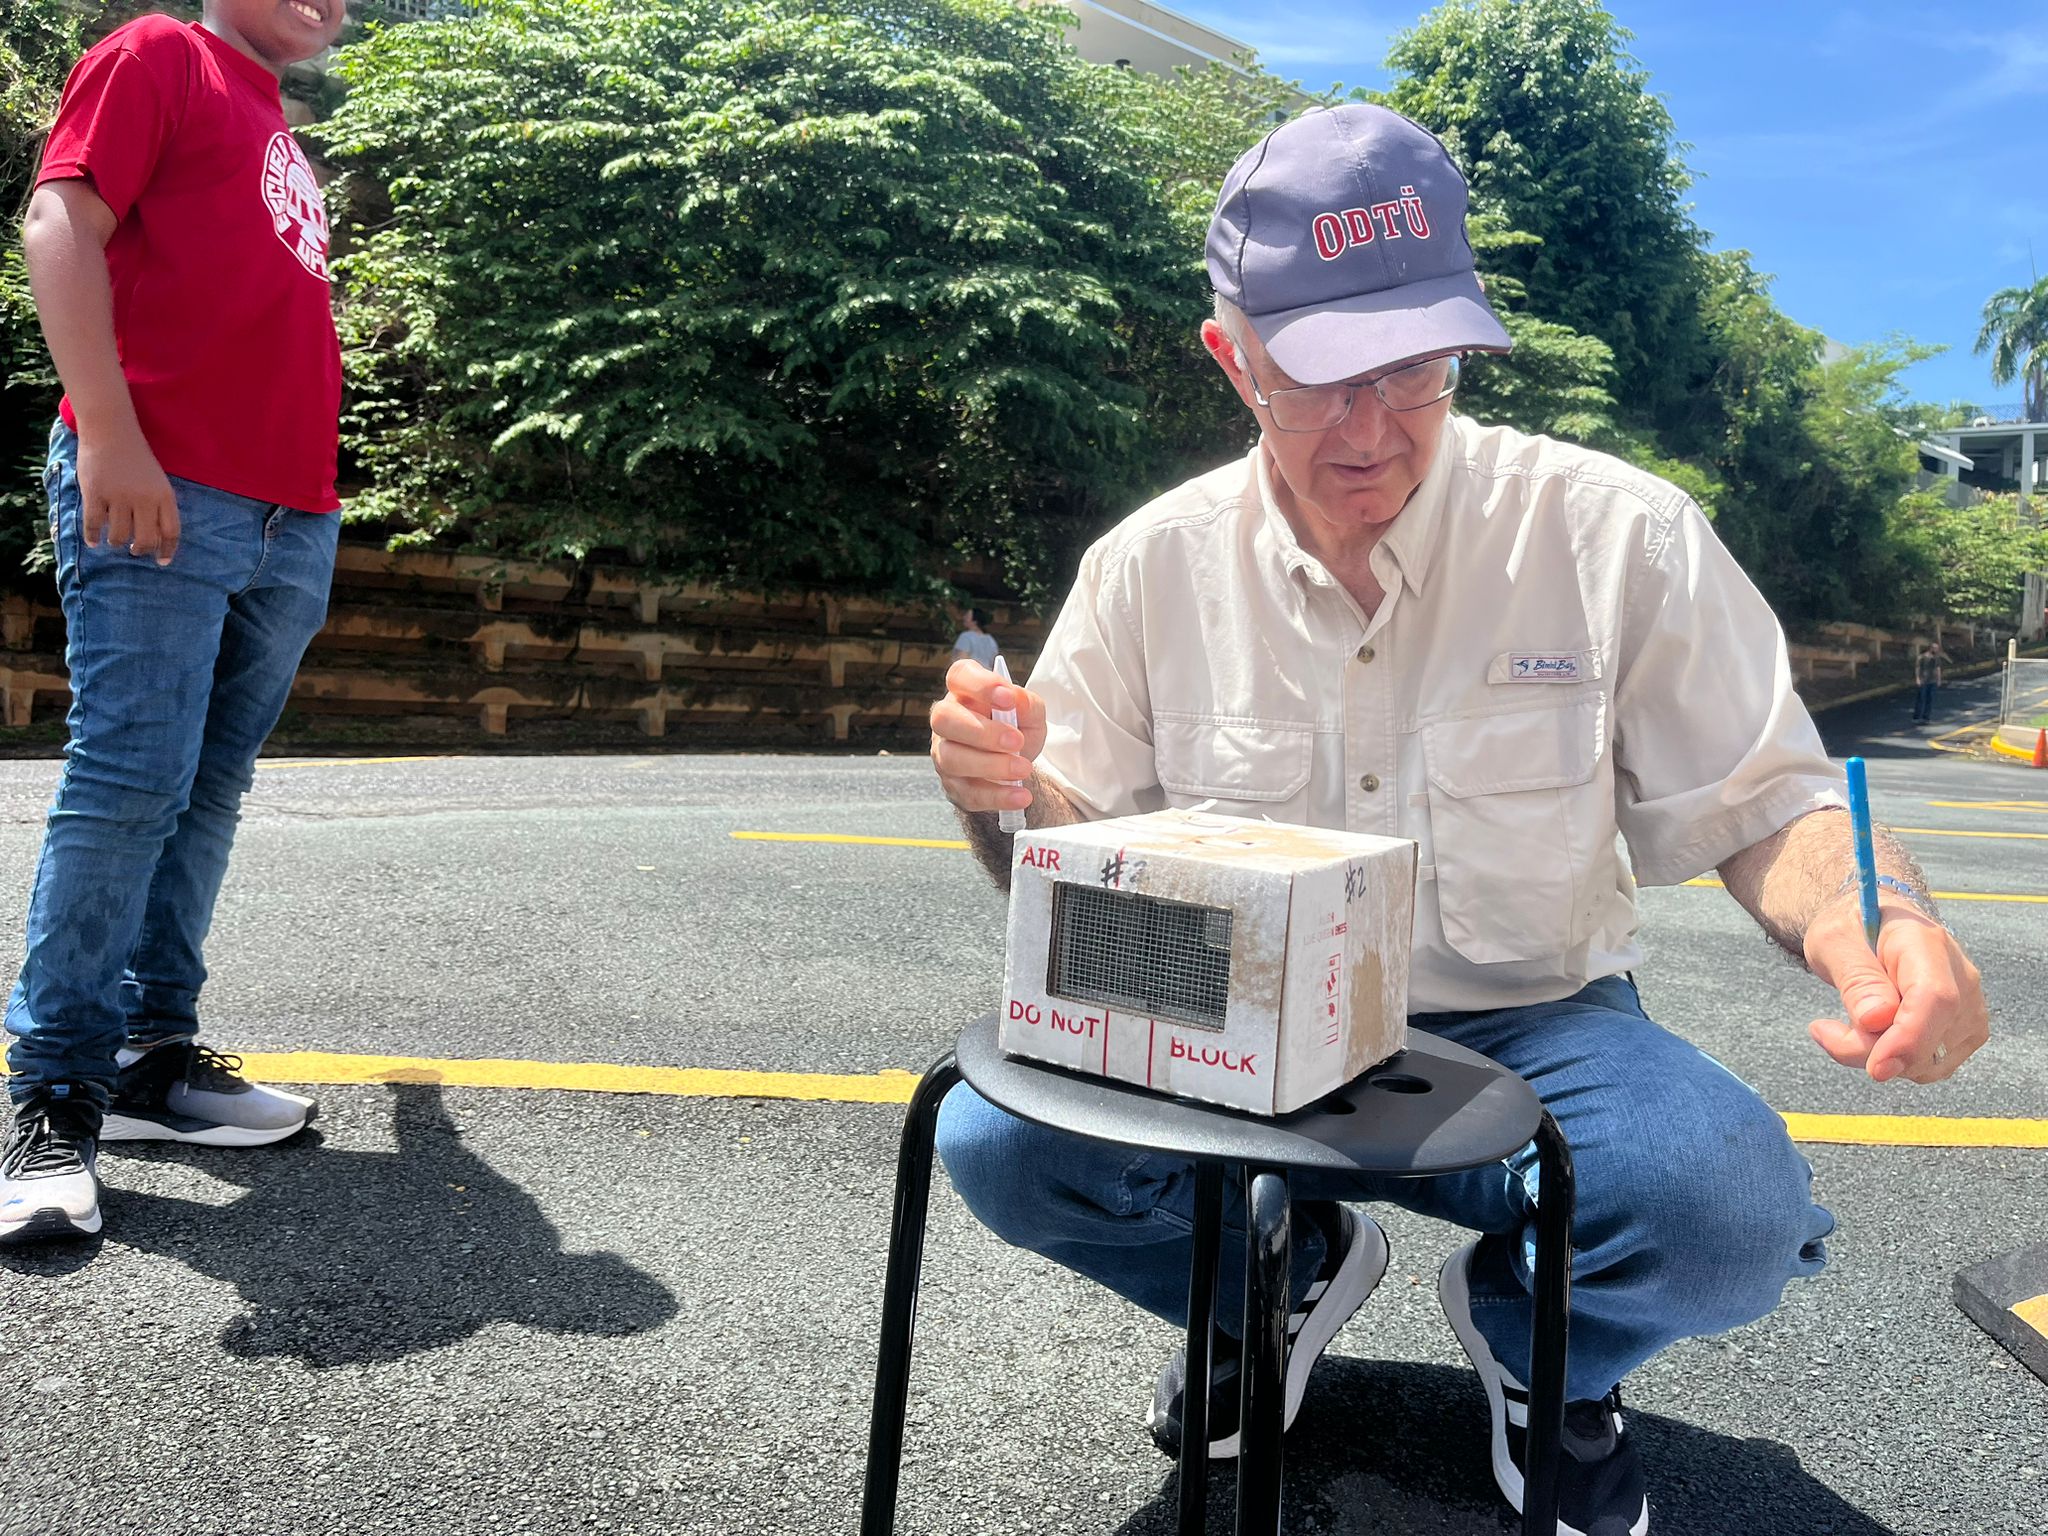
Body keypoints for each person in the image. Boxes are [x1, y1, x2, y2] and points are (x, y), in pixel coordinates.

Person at [925, 104, 1989, 1536]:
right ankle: (1276, 1273)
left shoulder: (1616, 534)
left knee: (1724, 1208)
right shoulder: (1148, 569)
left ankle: (1543, 1345)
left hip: (1542, 1027)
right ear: (1232, 360)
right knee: (1003, 1145)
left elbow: (1771, 799)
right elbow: (1063, 854)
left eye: (1414, 366)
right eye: (1317, 375)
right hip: (1243, 1040)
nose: (1373, 429)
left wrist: (1887, 923)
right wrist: (1001, 797)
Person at [0, 0, 349, 1247]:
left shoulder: (278, 120)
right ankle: (50, 1098)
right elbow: (59, 224)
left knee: (207, 790)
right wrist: (108, 431)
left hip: (288, 511)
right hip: (168, 479)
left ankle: (152, 1058)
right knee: (130, 780)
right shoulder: (160, 53)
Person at [1911, 640, 1945, 723]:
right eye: (1935, 648)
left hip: (1932, 681)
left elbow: (1938, 668)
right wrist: (1918, 679)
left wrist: (1939, 679)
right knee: (1921, 699)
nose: (1936, 650)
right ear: (1930, 648)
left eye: (1937, 648)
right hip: (1923, 681)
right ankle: (1916, 717)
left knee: (1929, 700)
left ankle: (1926, 717)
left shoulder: (1936, 658)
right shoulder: (1922, 657)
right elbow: (1917, 668)